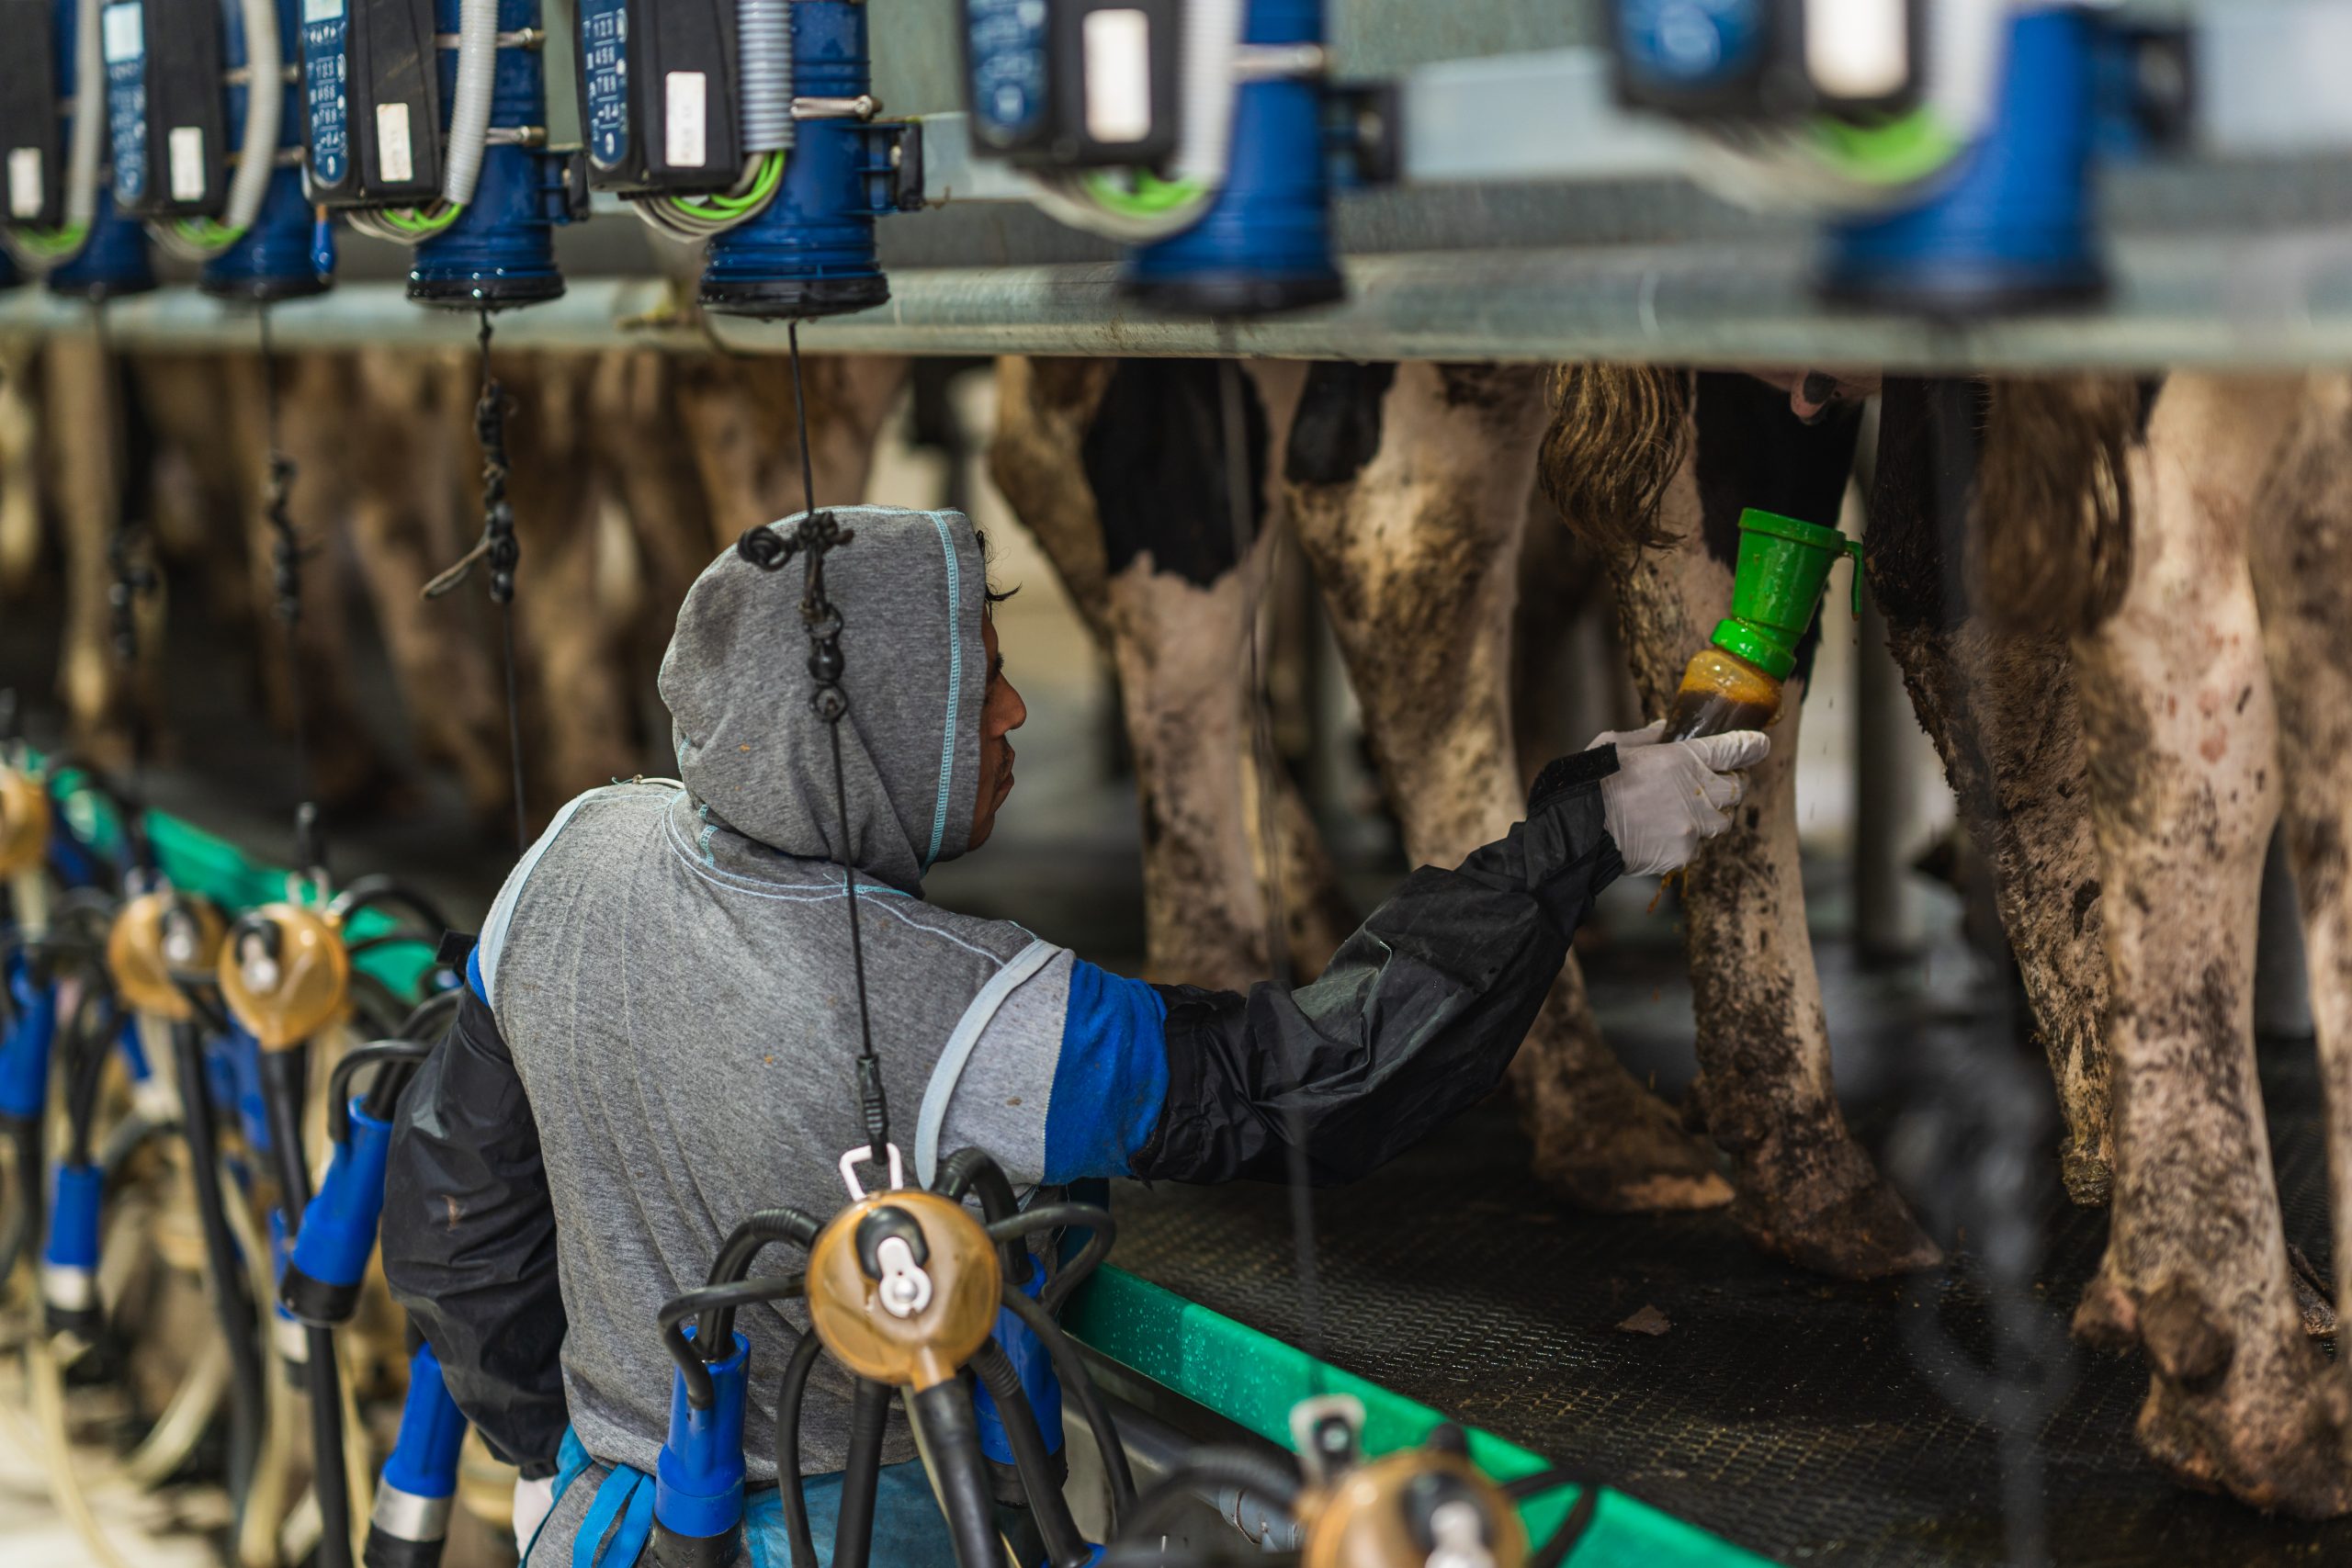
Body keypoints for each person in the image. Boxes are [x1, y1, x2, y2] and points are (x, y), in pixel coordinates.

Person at [379, 506, 1765, 1565]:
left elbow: (456, 1218)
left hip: (603, 1530)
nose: (1017, 707)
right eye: (977, 678)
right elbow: (1319, 1080)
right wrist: (1578, 841)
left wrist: (552, 1455)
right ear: (876, 728)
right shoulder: (970, 1009)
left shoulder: (575, 850)